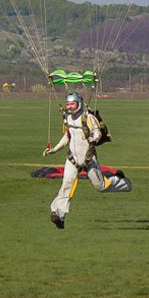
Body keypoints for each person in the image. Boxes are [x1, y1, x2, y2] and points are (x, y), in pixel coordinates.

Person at [42, 90, 110, 229]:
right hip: (72, 159)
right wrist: (54, 149)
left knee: (101, 187)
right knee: (67, 184)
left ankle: (121, 182)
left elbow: (97, 132)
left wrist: (94, 138)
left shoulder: (88, 118)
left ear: (79, 104)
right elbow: (68, 136)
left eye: (72, 104)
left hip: (88, 159)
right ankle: (58, 214)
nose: (69, 107)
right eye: (68, 104)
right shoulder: (68, 118)